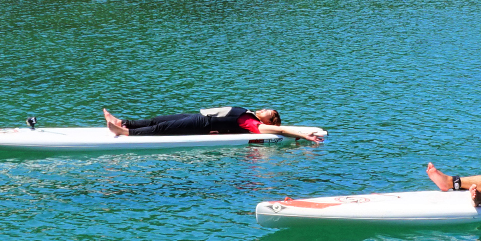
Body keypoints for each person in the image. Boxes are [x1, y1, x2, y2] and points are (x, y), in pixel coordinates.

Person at [103, 106, 326, 141]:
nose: (264, 110)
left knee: (163, 129)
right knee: (158, 119)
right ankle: (123, 122)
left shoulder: (255, 125)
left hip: (202, 126)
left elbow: (282, 130)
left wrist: (303, 135)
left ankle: (124, 132)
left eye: (269, 112)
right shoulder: (250, 114)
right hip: (201, 116)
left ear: (269, 120)